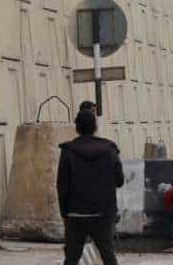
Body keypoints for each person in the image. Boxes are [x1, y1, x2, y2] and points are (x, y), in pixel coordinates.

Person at [57, 111, 124, 265]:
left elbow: (62, 186)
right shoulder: (110, 149)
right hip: (104, 213)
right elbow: (120, 181)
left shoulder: (68, 151)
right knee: (108, 255)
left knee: (72, 258)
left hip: (75, 214)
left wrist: (64, 213)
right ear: (95, 126)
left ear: (77, 127)